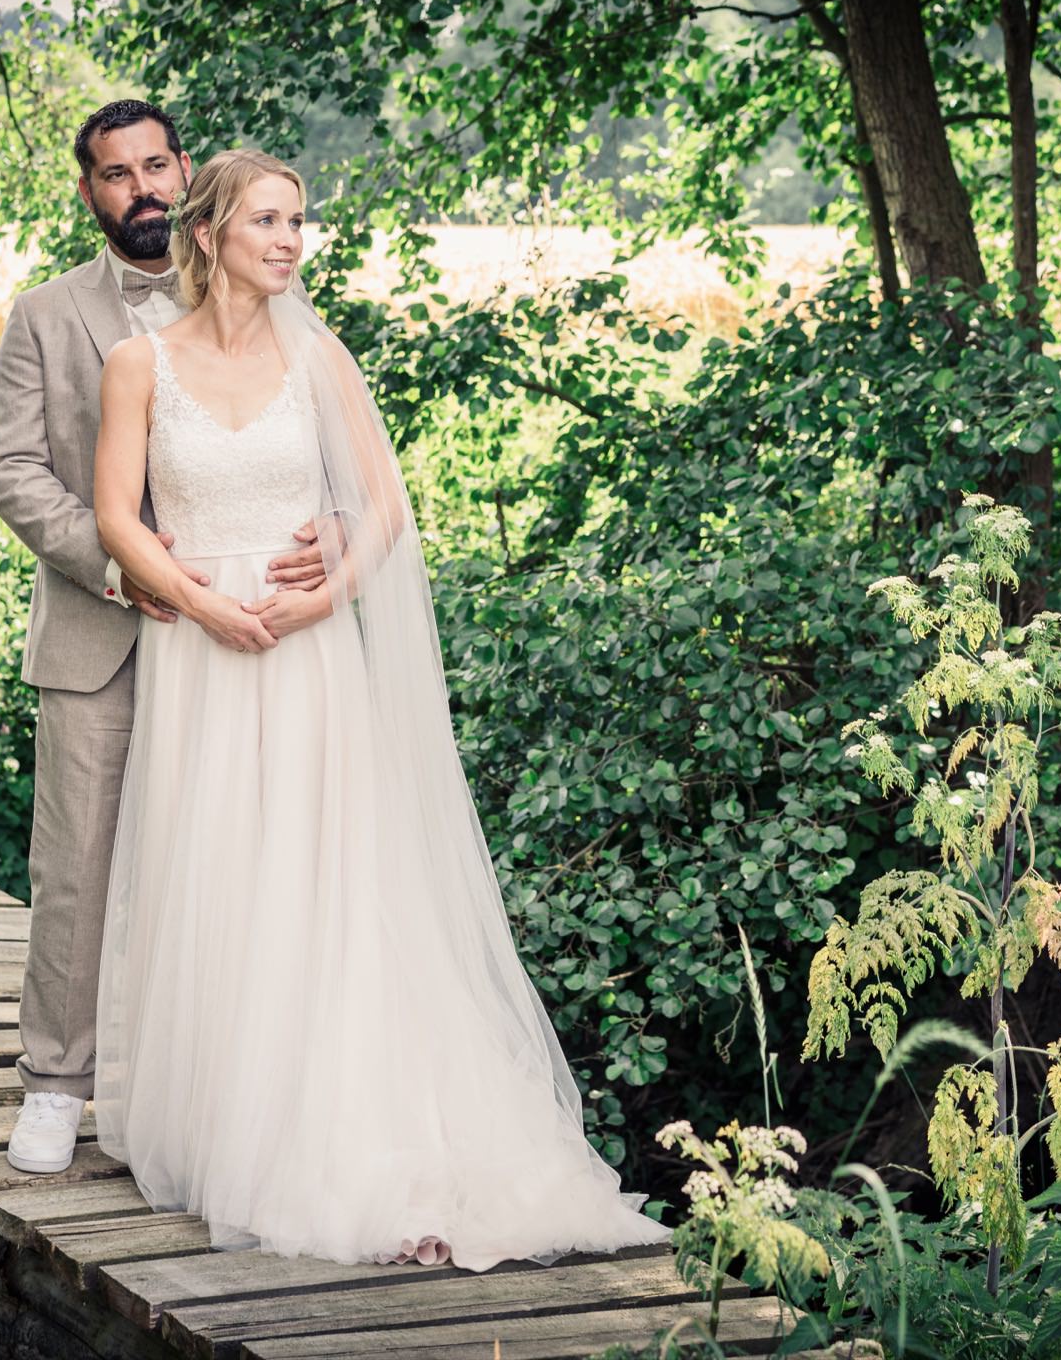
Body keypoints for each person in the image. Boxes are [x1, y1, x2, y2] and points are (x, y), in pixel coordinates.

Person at [88, 148, 673, 1272]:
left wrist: (328, 601)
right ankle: (235, 1127)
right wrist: (199, 601)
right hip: (201, 655)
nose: (291, 240)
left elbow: (387, 508)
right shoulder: (138, 364)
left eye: (299, 222)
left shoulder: (322, 359)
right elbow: (118, 517)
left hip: (308, 662)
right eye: (267, 220)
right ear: (207, 234)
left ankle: (364, 1137)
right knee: (223, 879)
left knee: (329, 883)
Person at [0, 102, 328, 1174]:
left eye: (156, 166)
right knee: (78, 866)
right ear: (89, 192)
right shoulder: (46, 315)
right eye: (116, 174)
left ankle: (223, 1090)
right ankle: (54, 1085)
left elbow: (338, 455)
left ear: (187, 175)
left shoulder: (268, 296)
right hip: (102, 633)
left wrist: (340, 534)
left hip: (247, 640)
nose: (141, 187)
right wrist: (129, 568)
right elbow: (12, 471)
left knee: (238, 860)